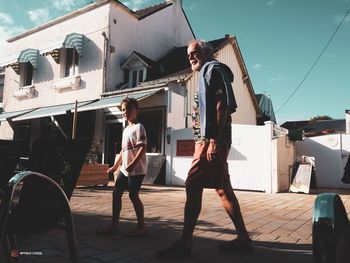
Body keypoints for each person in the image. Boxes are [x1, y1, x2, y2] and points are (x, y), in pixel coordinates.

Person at [157, 40, 252, 259]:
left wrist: (213, 141)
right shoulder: (207, 72)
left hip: (210, 140)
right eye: (188, 54)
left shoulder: (213, 69)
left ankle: (185, 243)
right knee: (222, 188)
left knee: (192, 184)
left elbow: (222, 105)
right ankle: (244, 239)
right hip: (210, 139)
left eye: (195, 52)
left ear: (208, 52)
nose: (191, 57)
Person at [98, 97, 147, 237]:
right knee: (116, 193)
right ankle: (114, 225)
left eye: (128, 109)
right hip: (125, 170)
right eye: (123, 109)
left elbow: (143, 148)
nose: (125, 112)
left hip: (137, 170)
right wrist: (115, 166)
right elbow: (122, 151)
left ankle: (141, 226)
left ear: (136, 111)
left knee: (133, 195)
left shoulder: (139, 127)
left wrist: (132, 164)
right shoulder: (126, 129)